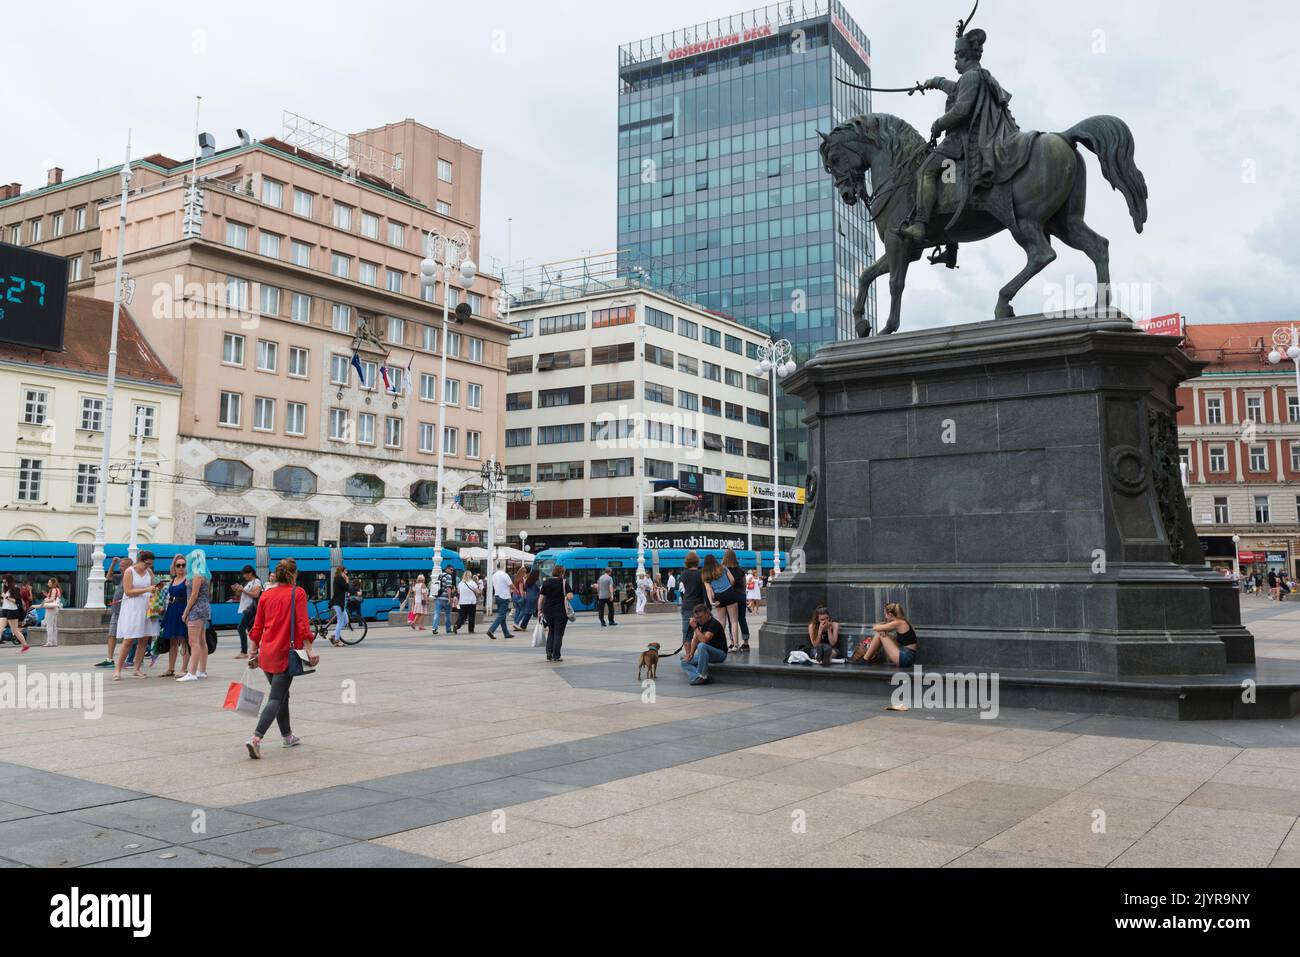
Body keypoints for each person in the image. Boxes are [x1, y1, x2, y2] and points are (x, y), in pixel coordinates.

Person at [897, 29, 1028, 243]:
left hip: (962, 141)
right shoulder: (978, 75)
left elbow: (961, 110)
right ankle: (950, 246)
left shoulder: (970, 77)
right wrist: (935, 82)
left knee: (925, 172)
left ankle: (920, 225)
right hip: (971, 138)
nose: (955, 62)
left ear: (965, 57)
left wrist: (939, 123)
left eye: (957, 57)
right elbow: (955, 89)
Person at [246, 557, 318, 758]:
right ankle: (255, 738)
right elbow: (303, 624)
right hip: (286, 654)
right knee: (276, 697)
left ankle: (287, 736)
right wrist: (310, 650)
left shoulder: (266, 595)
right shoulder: (298, 593)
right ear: (294, 574)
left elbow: (257, 626)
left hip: (266, 653)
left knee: (282, 695)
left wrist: (253, 651)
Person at [113, 551, 155, 680]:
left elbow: (154, 586)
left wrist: (155, 591)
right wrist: (147, 590)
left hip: (146, 607)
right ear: (140, 560)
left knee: (143, 639)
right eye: (146, 563)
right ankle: (117, 670)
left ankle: (137, 669)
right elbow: (128, 591)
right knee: (129, 639)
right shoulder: (129, 571)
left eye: (150, 564)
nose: (147, 566)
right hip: (132, 607)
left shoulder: (149, 572)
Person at [178, 549, 212, 682]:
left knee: (193, 641)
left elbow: (193, 596)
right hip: (203, 609)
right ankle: (201, 670)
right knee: (202, 641)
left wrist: (185, 612)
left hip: (196, 609)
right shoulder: (203, 575)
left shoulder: (197, 575)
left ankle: (191, 672)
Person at [857, 602, 919, 668]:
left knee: (879, 634)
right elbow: (882, 627)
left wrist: (881, 629)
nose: (885, 617)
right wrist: (883, 630)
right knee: (882, 633)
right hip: (907, 657)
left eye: (885, 615)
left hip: (905, 658)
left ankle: (865, 659)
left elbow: (875, 627)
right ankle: (868, 658)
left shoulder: (898, 623)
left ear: (890, 614)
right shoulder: (902, 622)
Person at [680, 603, 727, 686]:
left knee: (702, 645)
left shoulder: (713, 623)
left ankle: (703, 676)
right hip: (706, 653)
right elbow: (695, 639)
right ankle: (697, 677)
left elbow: (704, 640)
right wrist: (691, 654)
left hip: (720, 654)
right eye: (697, 618)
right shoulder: (700, 623)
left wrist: (695, 627)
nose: (699, 620)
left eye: (701, 617)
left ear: (707, 613)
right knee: (685, 662)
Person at [702, 553, 742, 651]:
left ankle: (719, 644)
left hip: (718, 597)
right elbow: (732, 580)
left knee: (721, 622)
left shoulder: (705, 573)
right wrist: (728, 589)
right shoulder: (723, 567)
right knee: (733, 621)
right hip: (729, 593)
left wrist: (711, 602)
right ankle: (736, 645)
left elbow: (709, 590)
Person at [159, 555, 190, 676]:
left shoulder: (188, 580)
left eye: (183, 565)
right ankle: (170, 668)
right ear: (174, 567)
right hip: (172, 610)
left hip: (183, 609)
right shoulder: (173, 579)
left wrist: (187, 613)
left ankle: (184, 668)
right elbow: (168, 596)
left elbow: (191, 597)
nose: (181, 567)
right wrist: (163, 608)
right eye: (178, 565)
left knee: (184, 640)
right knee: (172, 640)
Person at [539, 564, 574, 662]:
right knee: (558, 633)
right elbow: (570, 596)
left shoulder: (546, 582)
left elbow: (541, 598)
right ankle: (556, 655)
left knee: (551, 631)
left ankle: (549, 653)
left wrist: (539, 610)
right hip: (560, 611)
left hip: (548, 611)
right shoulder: (564, 583)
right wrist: (567, 596)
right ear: (561, 573)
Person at [95, 557, 123, 667]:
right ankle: (109, 659)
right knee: (112, 634)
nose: (121, 568)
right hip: (116, 611)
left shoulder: (132, 576)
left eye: (122, 565)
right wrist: (113, 563)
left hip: (126, 611)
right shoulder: (121, 577)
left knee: (130, 637)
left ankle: (130, 658)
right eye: (120, 566)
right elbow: (108, 577)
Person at [723, 549, 751, 653]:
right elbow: (744, 585)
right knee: (742, 619)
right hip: (741, 596)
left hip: (731, 597)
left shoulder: (725, 571)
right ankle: (746, 643)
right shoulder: (741, 570)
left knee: (732, 620)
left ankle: (732, 642)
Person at [232, 565, 262, 659]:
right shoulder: (248, 583)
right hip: (246, 609)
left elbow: (256, 595)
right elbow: (240, 596)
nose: (244, 576)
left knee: (241, 628)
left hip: (251, 610)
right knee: (251, 631)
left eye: (245, 574)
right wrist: (237, 590)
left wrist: (243, 590)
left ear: (250, 573)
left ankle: (244, 651)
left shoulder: (256, 582)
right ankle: (256, 650)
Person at [677, 551, 705, 648]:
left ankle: (688, 655)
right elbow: (704, 591)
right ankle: (699, 653)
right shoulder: (701, 574)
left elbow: (683, 589)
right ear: (697, 561)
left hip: (687, 606)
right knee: (701, 631)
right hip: (699, 606)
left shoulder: (683, 574)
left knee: (686, 633)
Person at [485, 561, 514, 639]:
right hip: (504, 597)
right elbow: (511, 585)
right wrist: (515, 590)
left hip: (497, 596)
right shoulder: (505, 575)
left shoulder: (494, 575)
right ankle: (491, 630)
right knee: (502, 615)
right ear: (503, 566)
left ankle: (506, 633)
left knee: (502, 616)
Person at [2, 575, 30, 653]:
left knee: (15, 631)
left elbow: (16, 601)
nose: (4, 583)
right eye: (3, 581)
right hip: (4, 610)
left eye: (5, 581)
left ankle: (25, 646)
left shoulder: (15, 589)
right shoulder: (5, 589)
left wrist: (6, 597)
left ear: (9, 581)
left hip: (12, 611)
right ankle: (25, 646)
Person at [40, 578, 63, 648]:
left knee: (49, 625)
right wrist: (47, 595)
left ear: (53, 583)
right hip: (56, 608)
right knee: (54, 626)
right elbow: (55, 598)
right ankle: (54, 642)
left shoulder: (53, 589)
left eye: (49, 582)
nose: (48, 583)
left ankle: (49, 642)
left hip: (51, 608)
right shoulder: (58, 589)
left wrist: (44, 601)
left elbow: (52, 599)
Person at [432, 566, 454, 634]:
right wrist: (450, 598)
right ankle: (448, 629)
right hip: (445, 598)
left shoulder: (440, 575)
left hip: (438, 597)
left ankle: (434, 628)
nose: (452, 571)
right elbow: (448, 588)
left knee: (437, 613)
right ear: (447, 569)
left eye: (453, 570)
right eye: (451, 570)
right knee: (447, 614)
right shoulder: (448, 576)